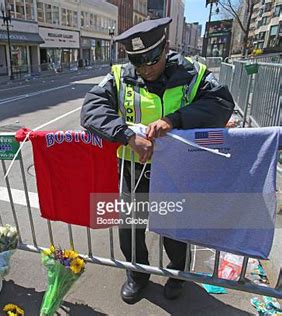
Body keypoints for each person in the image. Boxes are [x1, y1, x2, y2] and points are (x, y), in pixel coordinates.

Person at [80, 17, 235, 303]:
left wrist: (174, 120)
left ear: (165, 48)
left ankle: (177, 274)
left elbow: (221, 103)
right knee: (131, 227)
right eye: (139, 63)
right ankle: (137, 274)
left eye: (151, 61)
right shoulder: (119, 75)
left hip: (177, 169)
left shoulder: (193, 73)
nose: (146, 70)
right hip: (133, 169)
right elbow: (91, 110)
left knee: (176, 227)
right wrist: (126, 135)